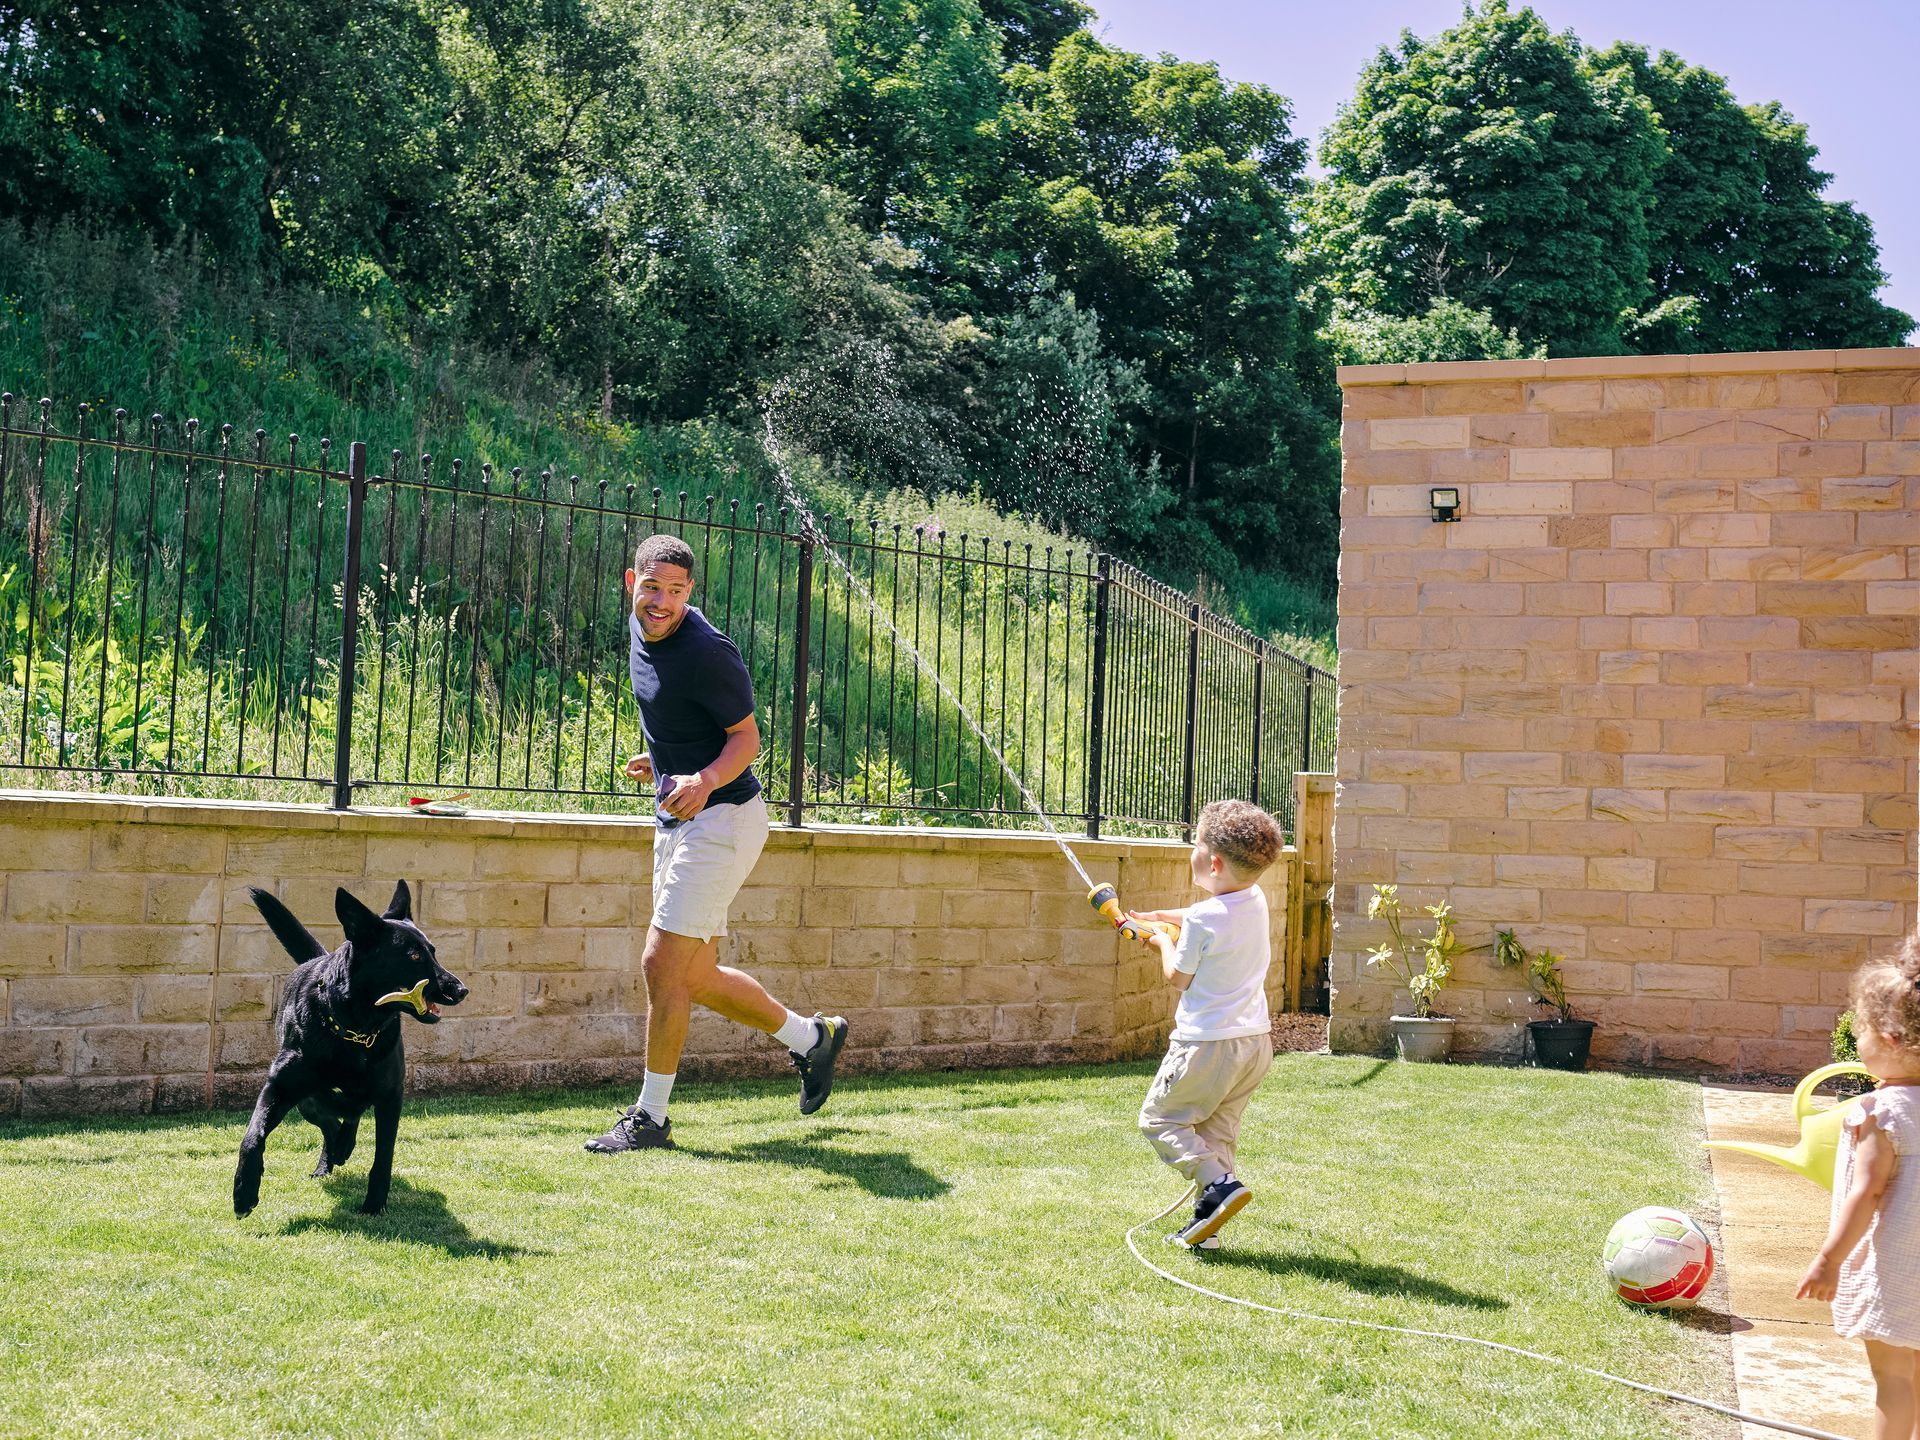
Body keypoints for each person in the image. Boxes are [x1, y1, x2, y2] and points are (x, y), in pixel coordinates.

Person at [585, 534, 848, 1153]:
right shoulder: (640, 631)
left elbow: (746, 740)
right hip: (679, 815)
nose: (662, 602)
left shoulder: (707, 652)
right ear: (632, 583)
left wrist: (702, 779)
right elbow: (678, 718)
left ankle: (650, 1118)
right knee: (693, 975)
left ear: (690, 593)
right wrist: (662, 759)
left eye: (676, 592)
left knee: (659, 963)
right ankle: (814, 1040)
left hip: (725, 817)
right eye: (652, 588)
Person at [1127, 798, 1284, 1249]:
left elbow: (1178, 976)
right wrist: (1161, 917)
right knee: (1216, 1133)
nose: (1191, 850)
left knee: (1160, 1121)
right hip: (1254, 1043)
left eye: (1195, 844)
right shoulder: (1253, 899)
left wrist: (1158, 940)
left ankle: (1220, 1186)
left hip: (1206, 1045)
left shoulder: (1202, 918)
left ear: (1212, 862)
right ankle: (1206, 1229)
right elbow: (1205, 921)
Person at [1798, 935, 1920, 1440]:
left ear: (1888, 1037)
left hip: (1899, 1270)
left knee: (1893, 1377)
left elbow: (1867, 1193)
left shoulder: (1881, 1113)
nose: (1858, 1042)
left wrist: (1829, 1259)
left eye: (1860, 1031)